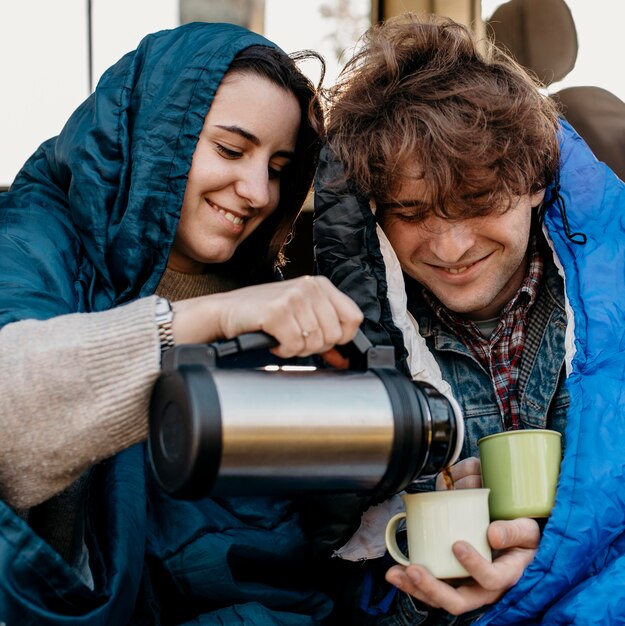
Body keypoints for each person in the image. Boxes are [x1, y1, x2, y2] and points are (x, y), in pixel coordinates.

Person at [0, 22, 363, 625]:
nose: (256, 192)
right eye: (229, 149)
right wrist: (204, 321)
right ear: (153, 135)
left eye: (277, 168)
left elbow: (287, 543)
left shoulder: (267, 299)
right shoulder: (33, 243)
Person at [311, 12, 625, 626]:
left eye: (478, 201)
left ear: (537, 179)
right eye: (412, 212)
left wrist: (550, 562)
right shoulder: (343, 340)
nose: (450, 248)